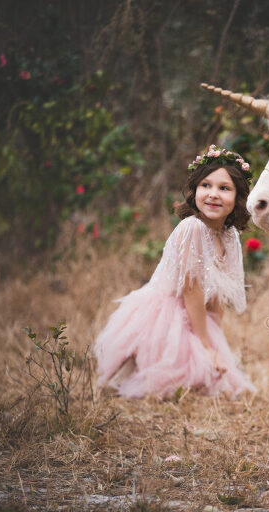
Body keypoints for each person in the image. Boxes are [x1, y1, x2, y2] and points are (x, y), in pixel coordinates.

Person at [94, 145, 256, 399]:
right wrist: (205, 346)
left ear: (238, 198)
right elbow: (192, 289)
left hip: (197, 315)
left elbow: (219, 293)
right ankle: (127, 374)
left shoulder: (229, 235)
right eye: (206, 185)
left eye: (224, 188)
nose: (213, 194)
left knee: (217, 384)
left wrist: (215, 343)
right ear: (195, 191)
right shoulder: (192, 227)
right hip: (164, 314)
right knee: (162, 386)